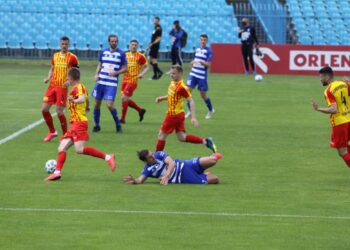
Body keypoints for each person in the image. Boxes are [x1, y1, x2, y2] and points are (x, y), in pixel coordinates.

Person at [45, 68, 116, 181]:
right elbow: (86, 99)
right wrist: (87, 106)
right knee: (61, 147)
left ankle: (108, 157)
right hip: (75, 123)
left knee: (79, 149)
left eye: (68, 77)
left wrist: (74, 100)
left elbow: (82, 98)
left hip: (79, 123)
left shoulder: (79, 88)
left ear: (71, 78)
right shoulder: (77, 87)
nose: (66, 79)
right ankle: (57, 173)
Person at [155, 65, 217, 152]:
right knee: (182, 137)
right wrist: (162, 98)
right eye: (171, 73)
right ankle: (206, 141)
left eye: (174, 73)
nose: (171, 75)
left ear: (180, 74)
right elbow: (172, 96)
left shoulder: (182, 87)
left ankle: (157, 158)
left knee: (161, 135)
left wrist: (193, 117)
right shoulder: (173, 82)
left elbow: (191, 101)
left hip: (174, 115)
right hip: (179, 114)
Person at [311, 66, 350, 168]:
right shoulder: (343, 84)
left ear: (326, 77)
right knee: (343, 148)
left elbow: (334, 109)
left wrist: (318, 108)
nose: (320, 79)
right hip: (348, 119)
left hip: (340, 123)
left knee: (343, 151)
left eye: (321, 77)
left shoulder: (328, 91)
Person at [42, 36, 79, 142]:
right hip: (52, 86)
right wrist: (48, 78)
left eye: (66, 44)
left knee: (59, 112)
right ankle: (52, 132)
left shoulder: (72, 57)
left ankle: (66, 134)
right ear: (59, 44)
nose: (64, 46)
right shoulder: (55, 56)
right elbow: (52, 68)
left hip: (62, 88)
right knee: (44, 109)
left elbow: (77, 72)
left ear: (69, 45)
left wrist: (70, 82)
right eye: (62, 44)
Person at [92, 34, 127, 133]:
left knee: (109, 104)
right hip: (101, 81)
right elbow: (100, 64)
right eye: (112, 41)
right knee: (97, 104)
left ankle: (118, 125)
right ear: (109, 42)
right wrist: (96, 74)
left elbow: (125, 68)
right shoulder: (103, 52)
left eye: (116, 41)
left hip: (111, 83)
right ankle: (97, 125)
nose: (114, 43)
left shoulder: (121, 53)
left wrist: (116, 73)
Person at [123, 150, 222, 185]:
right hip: (183, 177)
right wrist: (134, 181)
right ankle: (204, 175)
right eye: (150, 157)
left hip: (185, 164)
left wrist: (166, 176)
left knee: (213, 160)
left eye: (152, 154)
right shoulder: (147, 170)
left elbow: (172, 163)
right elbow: (140, 180)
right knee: (216, 179)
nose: (153, 156)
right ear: (145, 161)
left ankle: (204, 170)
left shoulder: (158, 154)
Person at [185, 34, 214, 120]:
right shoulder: (197, 50)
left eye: (204, 40)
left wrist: (201, 62)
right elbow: (195, 60)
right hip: (193, 74)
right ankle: (190, 111)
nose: (203, 41)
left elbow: (208, 65)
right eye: (201, 40)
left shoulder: (209, 51)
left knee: (203, 95)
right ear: (199, 40)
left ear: (206, 41)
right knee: (187, 92)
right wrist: (192, 63)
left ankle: (211, 110)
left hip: (201, 76)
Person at [120, 40, 148, 124]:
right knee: (125, 100)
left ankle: (122, 119)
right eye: (132, 45)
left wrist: (142, 74)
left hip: (133, 81)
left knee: (124, 98)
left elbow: (146, 67)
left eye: (135, 45)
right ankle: (140, 110)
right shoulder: (125, 55)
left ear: (138, 46)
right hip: (125, 80)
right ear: (129, 46)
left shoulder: (140, 56)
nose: (134, 46)